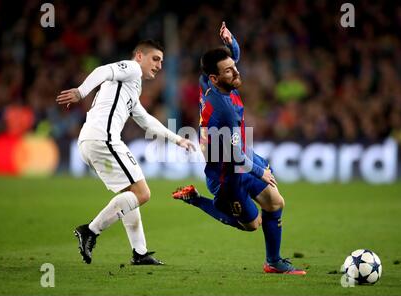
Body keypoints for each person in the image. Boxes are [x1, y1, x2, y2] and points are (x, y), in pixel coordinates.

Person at [172, 23, 306, 274]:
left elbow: (232, 60)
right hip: (227, 177)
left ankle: (273, 262)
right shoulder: (225, 111)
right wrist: (259, 171)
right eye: (229, 71)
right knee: (252, 224)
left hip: (241, 157)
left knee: (276, 203)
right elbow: (234, 157)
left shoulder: (209, 81)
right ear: (215, 78)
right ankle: (197, 199)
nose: (235, 72)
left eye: (234, 68)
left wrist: (231, 44)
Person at [56, 40, 195, 265]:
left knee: (130, 194)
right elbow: (102, 70)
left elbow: (146, 120)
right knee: (143, 193)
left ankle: (139, 253)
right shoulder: (130, 68)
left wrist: (177, 139)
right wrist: (81, 92)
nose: (159, 65)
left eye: (162, 61)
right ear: (139, 56)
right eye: (155, 59)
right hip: (104, 139)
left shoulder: (132, 86)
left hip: (90, 142)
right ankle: (90, 230)